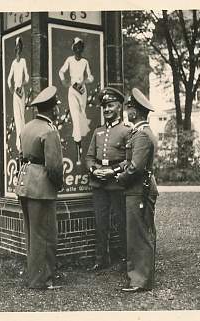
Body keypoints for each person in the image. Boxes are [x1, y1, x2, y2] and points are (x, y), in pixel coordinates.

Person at [15, 86, 64, 290]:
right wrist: (58, 184)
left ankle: (35, 277)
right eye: (57, 106)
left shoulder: (27, 127)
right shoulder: (49, 131)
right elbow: (54, 166)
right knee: (46, 235)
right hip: (42, 187)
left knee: (32, 234)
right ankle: (42, 280)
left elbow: (21, 157)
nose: (58, 110)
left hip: (25, 184)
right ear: (52, 109)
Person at [114, 88, 159, 292]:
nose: (126, 112)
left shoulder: (141, 134)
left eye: (128, 108)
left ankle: (140, 280)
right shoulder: (141, 132)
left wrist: (120, 177)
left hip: (138, 189)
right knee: (139, 232)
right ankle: (140, 277)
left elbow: (136, 168)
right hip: (139, 187)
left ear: (135, 112)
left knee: (139, 234)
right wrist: (120, 167)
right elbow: (133, 162)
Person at [85, 87, 131, 271]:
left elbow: (130, 159)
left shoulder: (127, 130)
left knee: (121, 222)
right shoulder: (98, 132)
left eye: (110, 105)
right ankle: (101, 259)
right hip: (99, 183)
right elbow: (89, 157)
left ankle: (125, 259)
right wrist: (94, 170)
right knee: (100, 222)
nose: (107, 110)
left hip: (116, 183)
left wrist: (112, 171)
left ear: (119, 107)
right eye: (104, 107)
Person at [59, 37, 94, 165]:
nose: (78, 49)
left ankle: (82, 148)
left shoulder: (85, 62)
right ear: (73, 48)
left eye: (80, 47)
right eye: (76, 47)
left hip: (82, 91)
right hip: (73, 91)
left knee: (81, 118)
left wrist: (84, 82)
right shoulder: (69, 60)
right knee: (75, 119)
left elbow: (90, 76)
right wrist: (65, 82)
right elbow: (61, 71)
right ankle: (78, 154)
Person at [7, 36, 29, 152]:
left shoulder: (23, 61)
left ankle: (23, 141)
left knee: (22, 115)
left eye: (20, 47)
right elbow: (8, 78)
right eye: (17, 47)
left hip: (21, 91)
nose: (18, 49)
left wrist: (22, 85)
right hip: (16, 92)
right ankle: (18, 143)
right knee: (17, 116)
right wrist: (12, 89)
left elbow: (27, 77)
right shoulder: (13, 63)